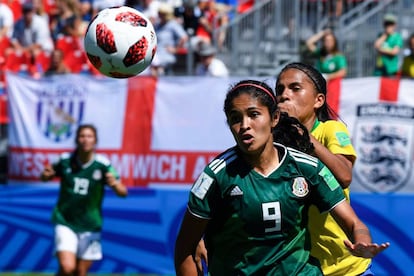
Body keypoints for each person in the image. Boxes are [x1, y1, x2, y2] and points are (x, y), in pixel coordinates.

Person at [174, 79, 389, 275]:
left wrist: (362, 241)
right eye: (235, 119)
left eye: (254, 114)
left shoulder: (308, 168)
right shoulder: (215, 176)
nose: (245, 125)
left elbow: (354, 223)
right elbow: (184, 248)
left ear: (274, 118)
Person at [274, 62, 372, 275]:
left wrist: (303, 136)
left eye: (295, 88)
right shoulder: (273, 144)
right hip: (302, 268)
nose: (284, 95)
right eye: (280, 90)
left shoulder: (330, 129)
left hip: (348, 268)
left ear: (319, 100)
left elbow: (345, 176)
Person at [40, 124, 128, 276]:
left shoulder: (103, 165)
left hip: (90, 225)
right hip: (65, 221)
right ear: (76, 139)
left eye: (89, 136)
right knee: (68, 267)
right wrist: (45, 175)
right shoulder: (65, 160)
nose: (85, 140)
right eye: (82, 136)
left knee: (80, 272)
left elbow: (123, 192)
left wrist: (114, 184)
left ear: (95, 141)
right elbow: (45, 175)